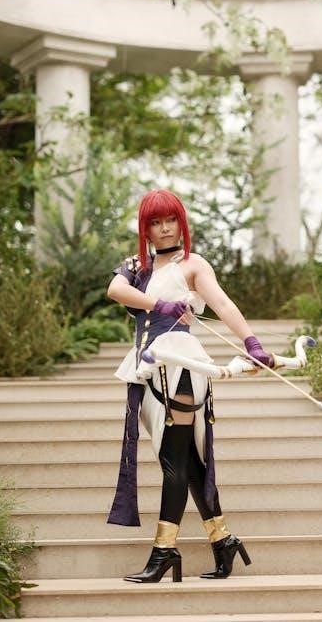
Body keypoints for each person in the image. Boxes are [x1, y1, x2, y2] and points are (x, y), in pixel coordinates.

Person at [105, 188, 274, 583]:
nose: (165, 229)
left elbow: (224, 305)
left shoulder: (193, 264)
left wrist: (252, 343)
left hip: (180, 365)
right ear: (145, 228)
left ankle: (164, 551)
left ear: (181, 224)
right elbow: (115, 290)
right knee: (187, 460)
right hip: (148, 367)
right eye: (156, 222)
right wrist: (160, 305)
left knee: (174, 462)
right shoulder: (137, 265)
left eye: (171, 220)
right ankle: (223, 540)